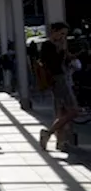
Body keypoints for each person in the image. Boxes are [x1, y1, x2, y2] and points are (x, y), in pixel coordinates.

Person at [39, 22, 78, 152]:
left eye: (65, 35)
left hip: (61, 78)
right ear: (54, 31)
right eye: (61, 33)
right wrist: (61, 50)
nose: (63, 37)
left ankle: (60, 141)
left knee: (62, 112)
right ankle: (49, 133)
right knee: (73, 110)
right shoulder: (48, 46)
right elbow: (53, 63)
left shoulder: (55, 46)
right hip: (58, 79)